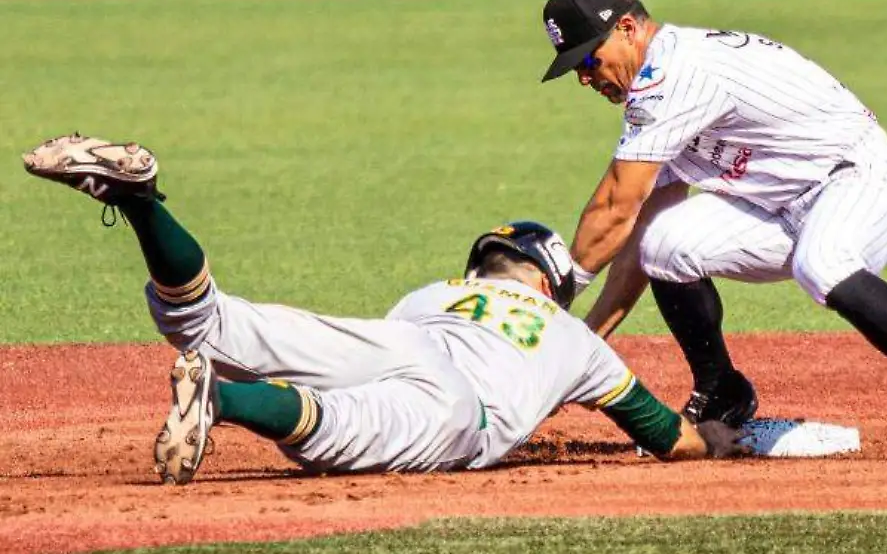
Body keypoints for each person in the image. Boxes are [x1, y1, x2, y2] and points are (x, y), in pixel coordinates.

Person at [21, 133, 745, 485]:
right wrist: (712, 437)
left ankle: (143, 205)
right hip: (463, 410)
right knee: (336, 429)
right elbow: (660, 434)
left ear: (482, 266)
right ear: (552, 280)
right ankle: (223, 401)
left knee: (209, 322)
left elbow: (388, 359)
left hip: (399, 340)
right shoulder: (576, 340)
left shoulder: (435, 294)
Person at [539, 0, 887, 450]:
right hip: (781, 208)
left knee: (823, 265)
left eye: (588, 59)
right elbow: (637, 229)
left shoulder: (678, 73)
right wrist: (583, 343)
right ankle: (722, 389)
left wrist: (558, 295)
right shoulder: (654, 86)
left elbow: (613, 205)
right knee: (664, 243)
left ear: (626, 28)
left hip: (861, 180)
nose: (584, 76)